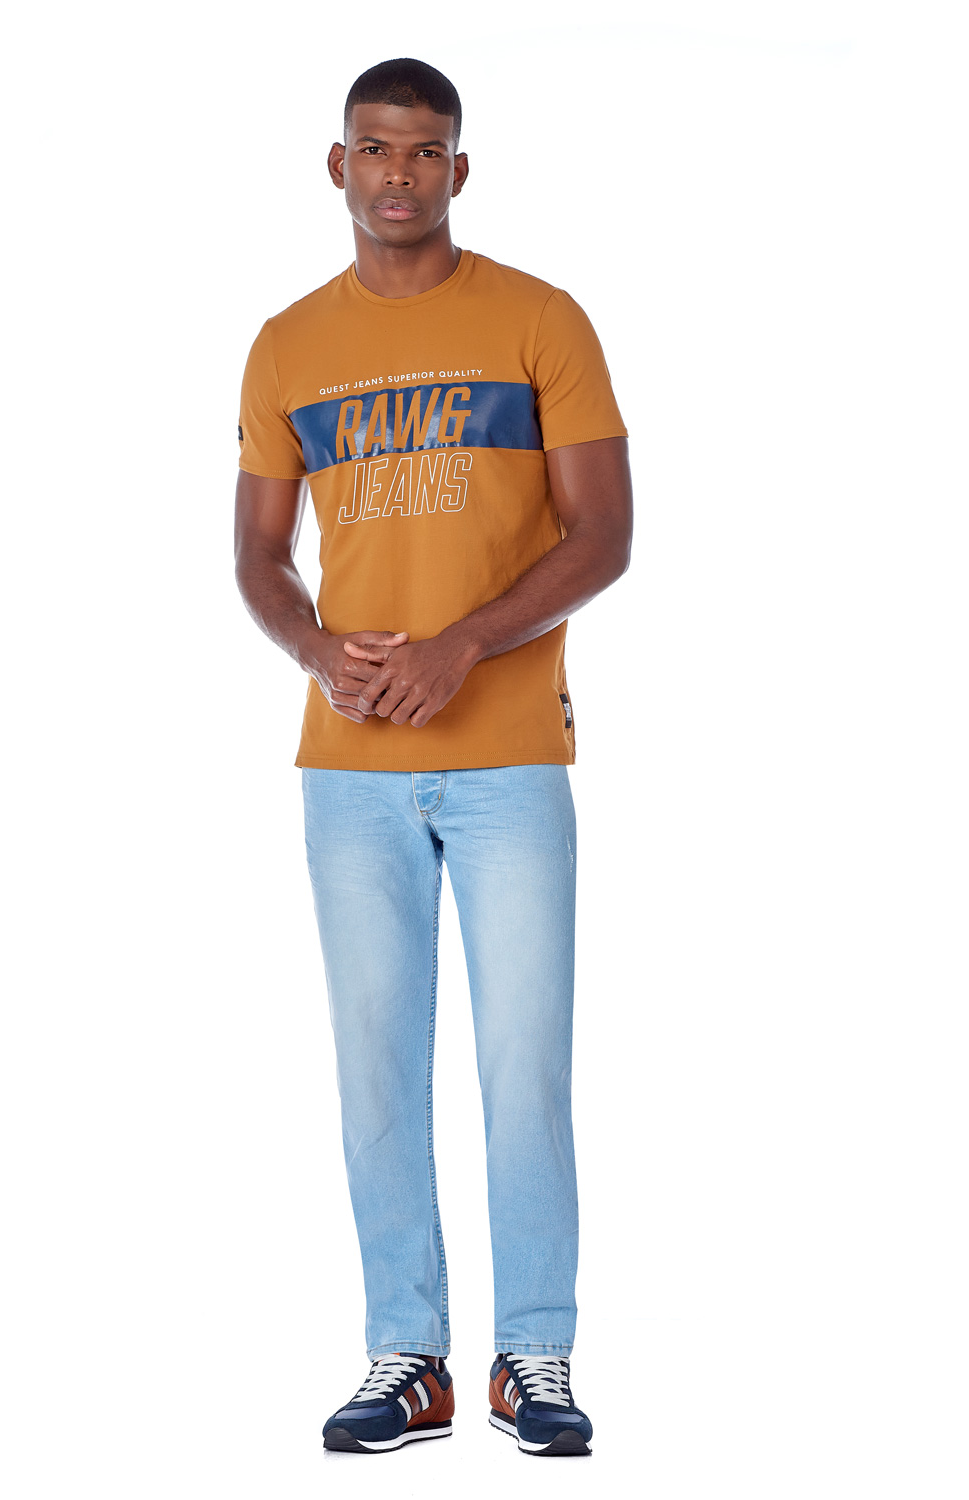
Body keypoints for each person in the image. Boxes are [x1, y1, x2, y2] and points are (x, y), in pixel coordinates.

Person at [234, 57, 631, 1458]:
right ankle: (408, 1355)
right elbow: (256, 553)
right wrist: (310, 647)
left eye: (424, 151)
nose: (398, 173)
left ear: (459, 170)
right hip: (348, 772)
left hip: (512, 758)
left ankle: (535, 1354)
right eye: (375, 148)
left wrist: (464, 643)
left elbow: (605, 535)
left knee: (524, 1065)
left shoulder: (541, 320)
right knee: (375, 1072)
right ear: (337, 165)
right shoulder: (286, 344)